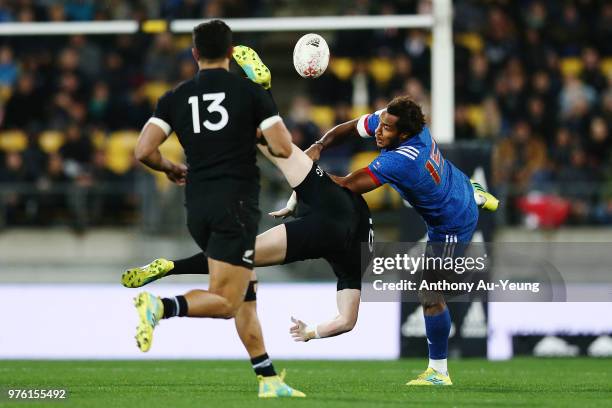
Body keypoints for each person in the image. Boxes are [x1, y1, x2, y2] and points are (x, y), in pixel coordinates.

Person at [124, 45, 373, 344]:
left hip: (329, 204)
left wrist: (298, 195)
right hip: (326, 232)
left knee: (279, 150)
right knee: (240, 258)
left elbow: (341, 184)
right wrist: (309, 333)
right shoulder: (353, 270)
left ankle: (261, 89)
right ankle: (171, 267)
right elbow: (347, 322)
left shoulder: (354, 222)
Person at [131, 21, 303, 398]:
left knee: (245, 292)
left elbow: (143, 150)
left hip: (198, 207)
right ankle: (160, 306)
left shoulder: (174, 97)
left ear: (194, 54)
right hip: (236, 205)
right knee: (226, 301)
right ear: (230, 53)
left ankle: (268, 379)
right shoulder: (249, 92)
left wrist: (170, 167)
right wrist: (265, 100)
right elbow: (284, 148)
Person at [303, 97, 498, 386]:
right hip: (454, 184)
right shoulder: (403, 124)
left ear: (403, 135)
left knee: (430, 294)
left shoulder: (401, 160)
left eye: (385, 129)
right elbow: (355, 126)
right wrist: (320, 144)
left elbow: (346, 186)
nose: (378, 132)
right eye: (380, 125)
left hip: (452, 224)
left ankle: (438, 373)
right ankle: (475, 192)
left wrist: (302, 173)